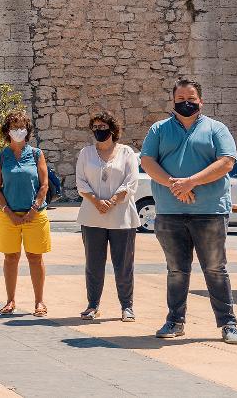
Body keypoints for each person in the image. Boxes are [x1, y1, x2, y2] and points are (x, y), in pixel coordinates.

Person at [140, 78, 237, 344]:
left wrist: (191, 182)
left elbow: (227, 162)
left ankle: (228, 324)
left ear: (201, 101)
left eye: (191, 98)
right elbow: (148, 161)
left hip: (210, 210)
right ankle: (175, 321)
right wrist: (175, 185)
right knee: (176, 270)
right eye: (180, 99)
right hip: (170, 212)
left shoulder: (216, 129)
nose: (186, 103)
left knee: (215, 269)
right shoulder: (159, 129)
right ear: (173, 102)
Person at [75, 112, 139, 322]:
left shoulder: (126, 152)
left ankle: (127, 306)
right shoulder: (86, 153)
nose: (99, 130)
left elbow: (131, 181)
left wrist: (111, 201)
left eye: (102, 126)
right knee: (93, 264)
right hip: (93, 216)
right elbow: (81, 182)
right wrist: (97, 202)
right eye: (95, 126)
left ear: (112, 129)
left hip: (121, 216)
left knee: (123, 264)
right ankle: (93, 305)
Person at [0, 110, 52, 318]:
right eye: (14, 127)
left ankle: (39, 302)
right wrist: (8, 212)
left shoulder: (36, 154)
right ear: (7, 131)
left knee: (35, 257)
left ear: (27, 130)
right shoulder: (0, 156)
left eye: (22, 127)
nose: (18, 131)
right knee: (11, 258)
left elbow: (44, 185)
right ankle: (10, 301)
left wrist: (34, 209)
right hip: (8, 214)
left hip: (35, 215)